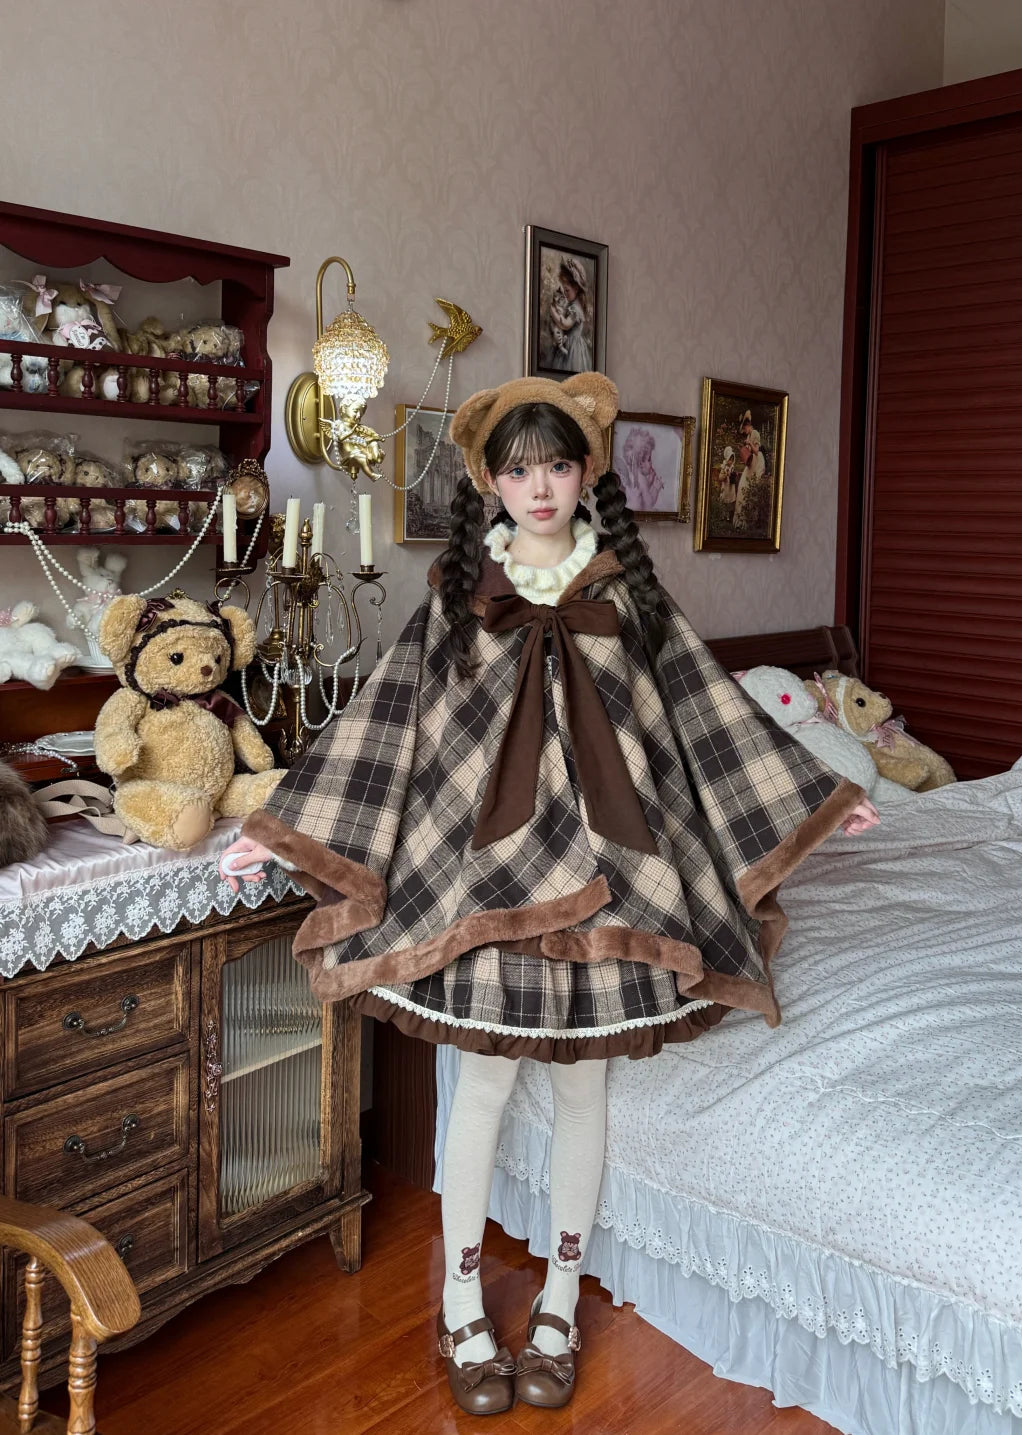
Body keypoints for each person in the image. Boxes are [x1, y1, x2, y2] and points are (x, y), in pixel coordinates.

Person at [218, 372, 878, 1416]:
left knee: (583, 1090)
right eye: (519, 468)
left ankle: (561, 1299)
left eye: (558, 465)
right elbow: (384, 723)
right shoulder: (459, 599)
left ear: (588, 472)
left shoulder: (629, 597)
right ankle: (461, 1302)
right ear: (488, 478)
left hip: (615, 880)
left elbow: (708, 713)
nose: (539, 487)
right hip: (486, 882)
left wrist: (823, 798)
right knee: (481, 1086)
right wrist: (277, 828)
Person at [546, 257, 591, 372]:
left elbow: (565, 325)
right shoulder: (570, 304)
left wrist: (553, 312)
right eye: (564, 290)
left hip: (573, 349)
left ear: (576, 288)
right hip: (566, 344)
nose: (565, 294)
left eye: (567, 290)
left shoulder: (576, 308)